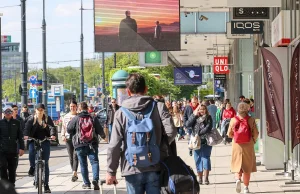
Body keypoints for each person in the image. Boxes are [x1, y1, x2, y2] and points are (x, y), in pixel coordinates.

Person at [106, 73, 177, 194]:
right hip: (155, 164)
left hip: (131, 167)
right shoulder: (159, 107)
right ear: (146, 89)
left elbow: (114, 144)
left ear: (128, 92)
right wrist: (158, 146)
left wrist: (111, 171)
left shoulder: (120, 113)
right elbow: (171, 131)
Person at [67, 102, 105, 190]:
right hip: (92, 144)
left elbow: (69, 130)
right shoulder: (93, 117)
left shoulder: (76, 118)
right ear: (87, 108)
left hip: (80, 144)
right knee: (94, 162)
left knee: (83, 165)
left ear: (79, 109)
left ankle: (86, 183)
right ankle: (95, 179)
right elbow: (99, 129)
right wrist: (103, 136)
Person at [24, 103, 56, 193]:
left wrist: (52, 135)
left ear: (44, 110)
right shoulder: (32, 118)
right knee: (31, 152)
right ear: (36, 110)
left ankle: (46, 185)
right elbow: (27, 127)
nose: (40, 111)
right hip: (33, 140)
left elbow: (51, 127)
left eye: (42, 110)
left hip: (44, 140)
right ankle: (32, 167)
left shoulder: (47, 118)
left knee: (45, 163)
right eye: (38, 109)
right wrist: (26, 135)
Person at [227, 103, 259, 194]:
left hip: (237, 145)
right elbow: (256, 133)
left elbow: (229, 133)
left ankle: (237, 179)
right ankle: (246, 187)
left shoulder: (233, 120)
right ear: (247, 109)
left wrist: (235, 137)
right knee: (247, 167)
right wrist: (253, 140)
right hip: (248, 145)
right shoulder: (251, 120)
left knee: (237, 165)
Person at [185, 104, 213, 185]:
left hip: (206, 141)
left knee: (206, 158)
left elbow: (208, 127)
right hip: (196, 142)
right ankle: (200, 178)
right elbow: (187, 124)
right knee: (197, 159)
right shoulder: (195, 117)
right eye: (200, 109)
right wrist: (194, 115)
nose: (201, 110)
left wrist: (198, 133)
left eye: (203, 109)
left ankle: (206, 178)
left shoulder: (208, 117)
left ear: (206, 110)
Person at [0, 107, 25, 186]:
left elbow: (20, 136)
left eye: (10, 112)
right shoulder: (0, 123)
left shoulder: (17, 122)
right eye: (6, 112)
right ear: (3, 113)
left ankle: (12, 185)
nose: (8, 113)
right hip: (2, 150)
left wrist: (22, 148)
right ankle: (5, 185)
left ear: (12, 113)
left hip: (13, 149)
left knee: (12, 169)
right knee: (2, 167)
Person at [61, 101, 79, 182]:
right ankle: (73, 172)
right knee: (71, 156)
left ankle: (74, 172)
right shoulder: (66, 116)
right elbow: (63, 127)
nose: (72, 108)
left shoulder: (79, 116)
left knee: (75, 155)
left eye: (74, 106)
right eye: (71, 106)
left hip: (77, 139)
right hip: (68, 139)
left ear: (76, 106)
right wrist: (62, 135)